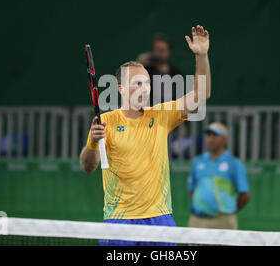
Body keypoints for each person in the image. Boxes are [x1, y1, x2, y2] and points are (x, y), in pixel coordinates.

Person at [80, 25, 211, 246]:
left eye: (147, 83)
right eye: (137, 84)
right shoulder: (106, 122)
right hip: (119, 221)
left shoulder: (160, 115)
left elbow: (201, 96)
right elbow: (88, 166)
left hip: (160, 219)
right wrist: (93, 142)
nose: (145, 89)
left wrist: (202, 55)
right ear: (121, 89)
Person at [188, 122, 250, 230]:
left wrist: (229, 211)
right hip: (198, 220)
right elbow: (192, 190)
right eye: (209, 135)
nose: (211, 139)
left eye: (215, 135)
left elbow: (245, 195)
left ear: (224, 139)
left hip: (224, 221)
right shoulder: (197, 161)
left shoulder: (234, 163)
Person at [137, 33, 182, 104]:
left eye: (162, 50)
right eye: (157, 50)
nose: (159, 54)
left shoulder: (175, 72)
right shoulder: (145, 71)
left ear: (168, 52)